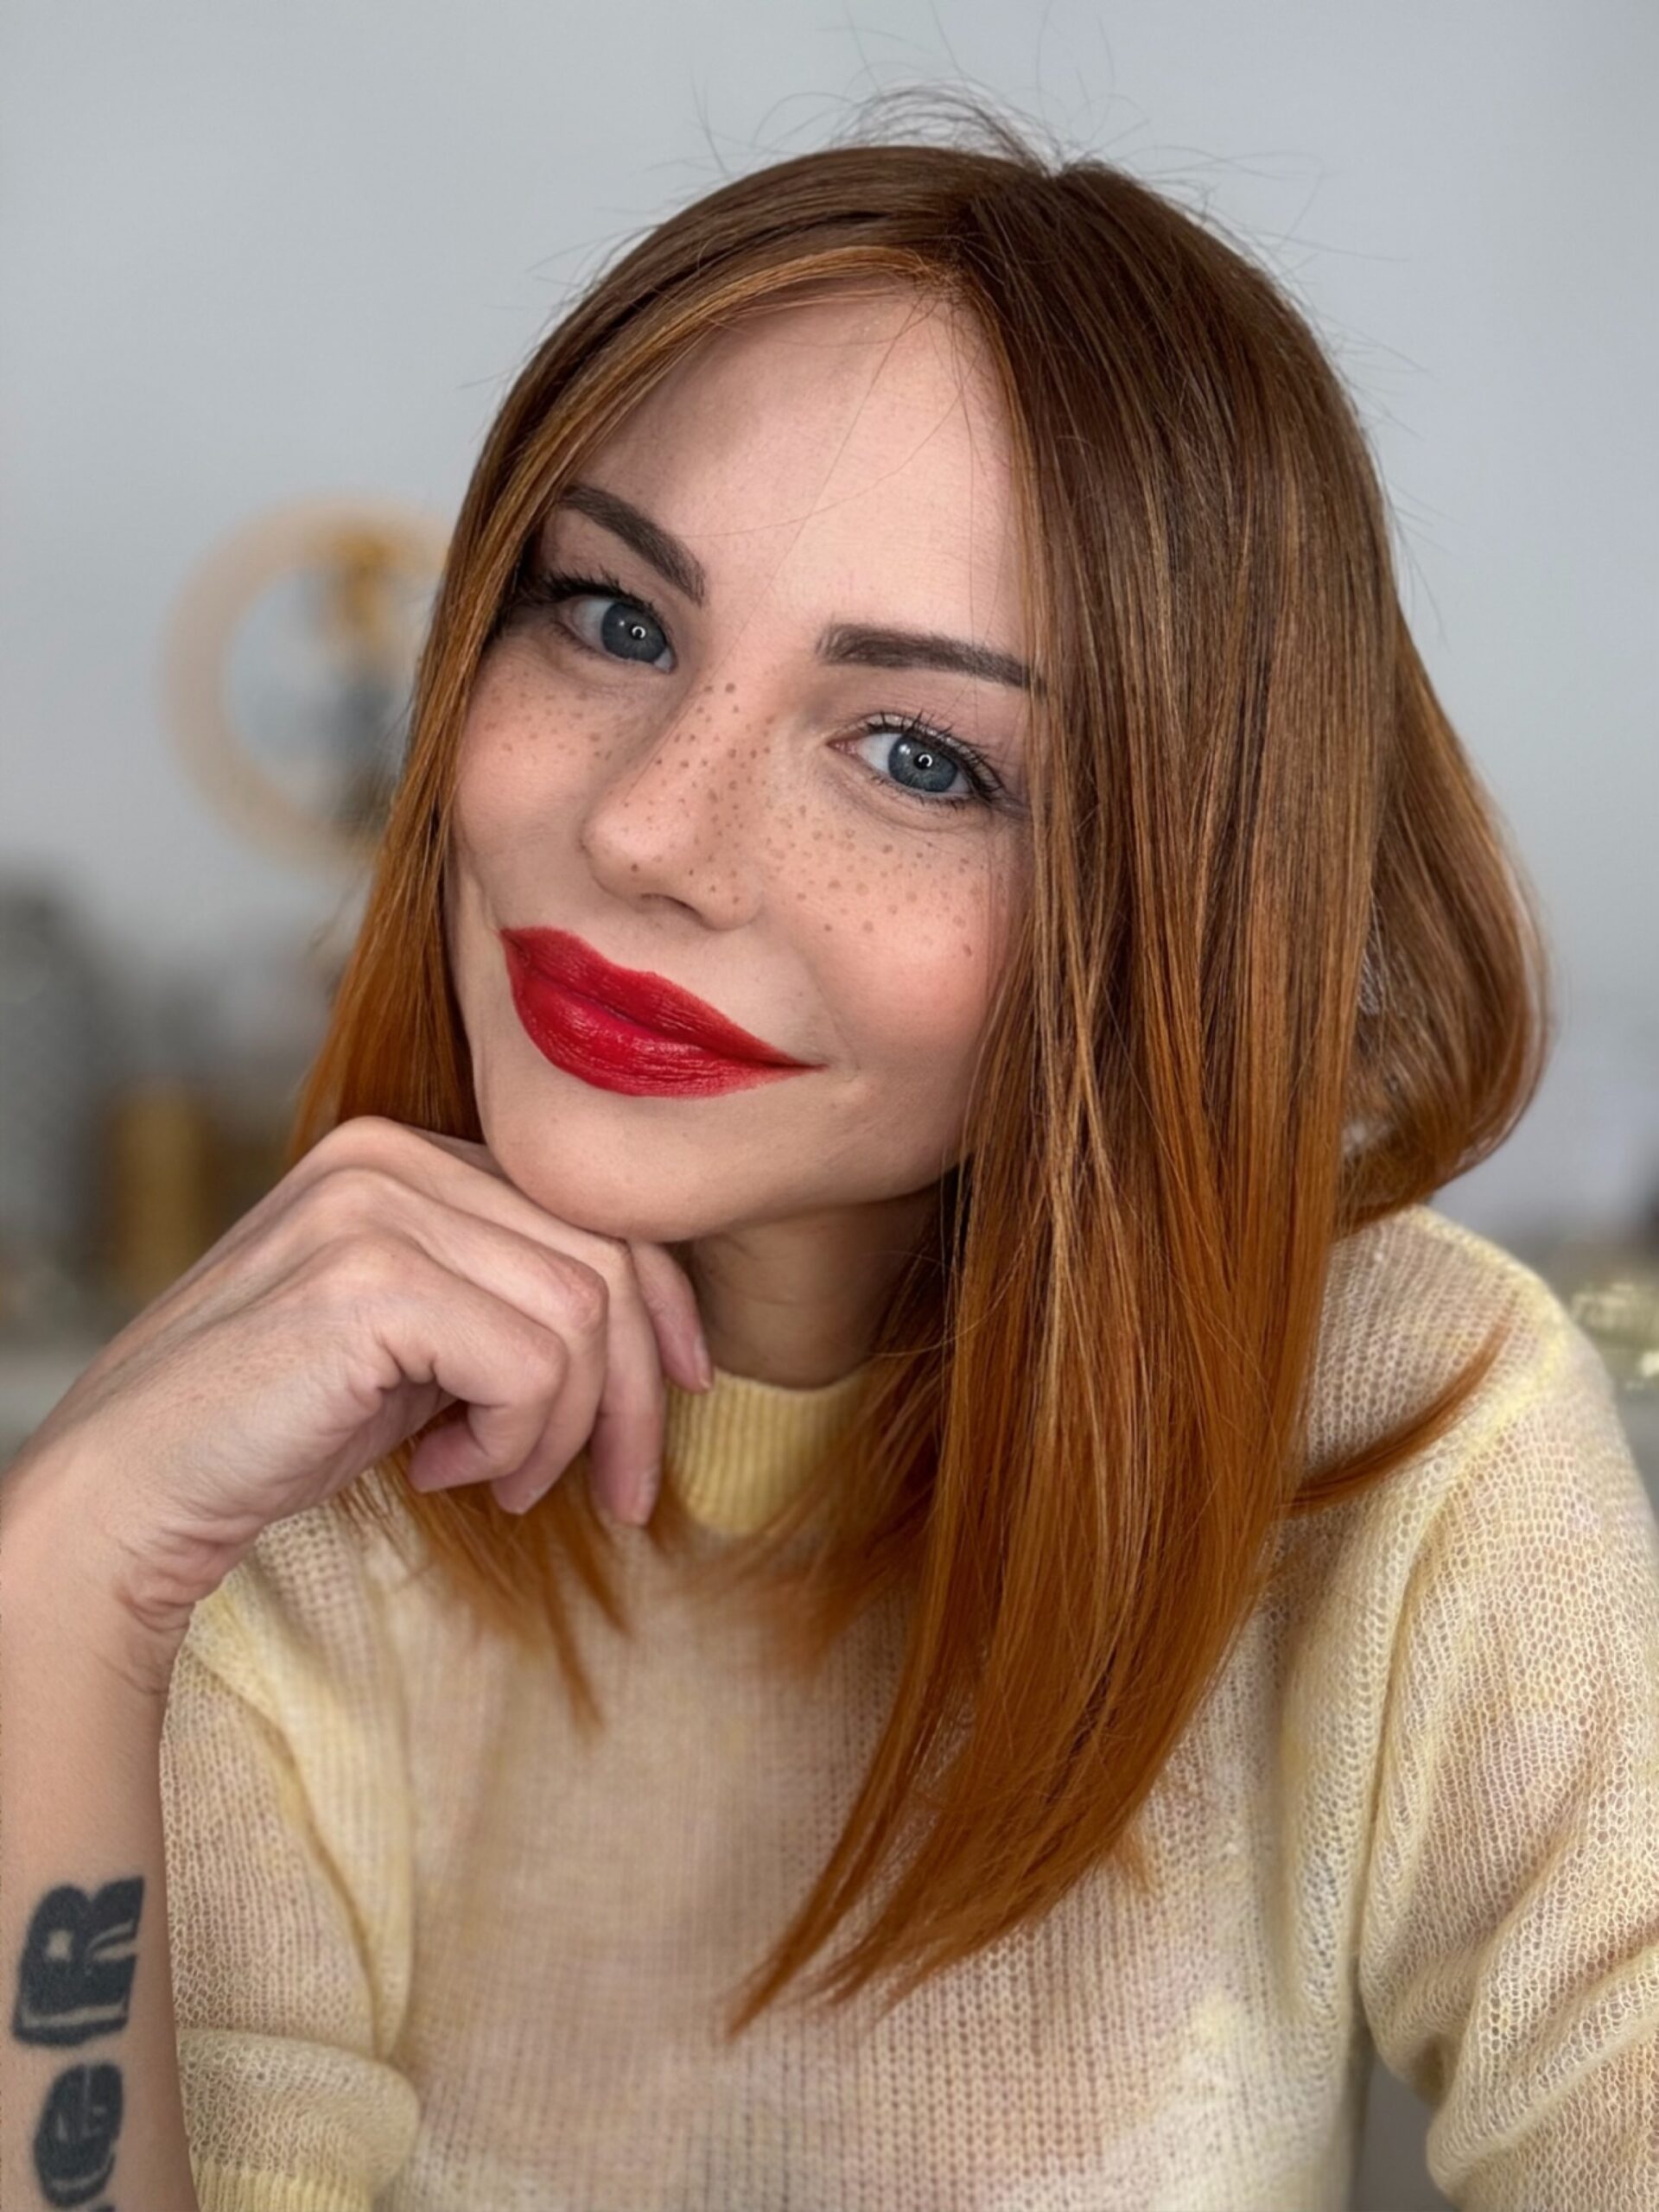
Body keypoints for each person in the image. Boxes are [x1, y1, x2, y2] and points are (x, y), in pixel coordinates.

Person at [5, 94, 1657, 2212]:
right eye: (614, 617)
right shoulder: (296, 1490)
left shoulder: (1408, 1427)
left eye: (918, 754)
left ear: (1173, 898)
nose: (646, 831)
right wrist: (60, 1584)